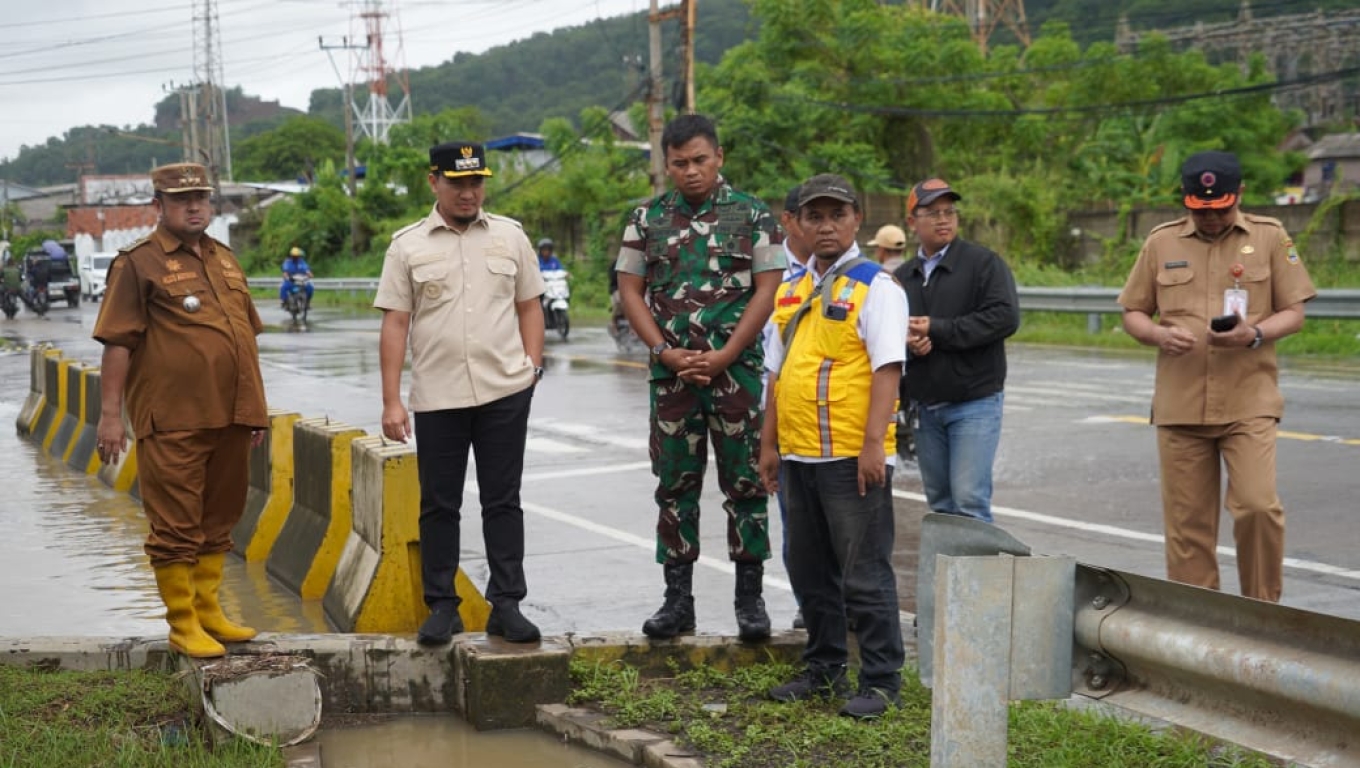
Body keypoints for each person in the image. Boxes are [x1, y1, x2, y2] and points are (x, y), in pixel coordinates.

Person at [615, 113, 785, 642]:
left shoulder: (753, 215)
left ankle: (750, 600)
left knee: (747, 484)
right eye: (679, 163)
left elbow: (768, 289)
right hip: (673, 380)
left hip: (736, 375)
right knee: (674, 486)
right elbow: (630, 290)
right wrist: (664, 352)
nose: (690, 171)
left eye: (699, 160)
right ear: (666, 165)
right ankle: (677, 601)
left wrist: (727, 353)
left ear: (719, 157)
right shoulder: (646, 219)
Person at [1117, 150, 1316, 602]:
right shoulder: (1161, 242)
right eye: (1200, 210)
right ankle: (1201, 620)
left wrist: (1254, 334)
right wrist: (1158, 335)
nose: (1210, 219)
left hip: (1249, 401)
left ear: (1239, 194)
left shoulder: (1270, 236)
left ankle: (1262, 612)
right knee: (1188, 527)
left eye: (1221, 209)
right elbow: (1133, 312)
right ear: (1186, 199)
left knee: (1258, 506)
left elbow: (1295, 312)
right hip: (1181, 405)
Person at [92, 162, 268, 659]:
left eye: (201, 198)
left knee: (220, 517)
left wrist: (255, 408)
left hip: (233, 416)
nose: (194, 207)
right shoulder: (137, 264)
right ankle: (183, 622)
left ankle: (209, 610)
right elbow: (118, 344)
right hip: (172, 419)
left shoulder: (224, 259)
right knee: (175, 526)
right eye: (181, 199)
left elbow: (244, 338)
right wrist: (110, 416)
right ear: (159, 205)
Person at [375, 140, 547, 645]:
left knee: (503, 500)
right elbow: (395, 323)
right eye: (457, 183)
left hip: (505, 391)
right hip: (439, 396)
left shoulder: (510, 236)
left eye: (476, 182)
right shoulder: (407, 245)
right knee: (438, 504)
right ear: (434, 182)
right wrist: (391, 400)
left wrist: (532, 367)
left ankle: (507, 604)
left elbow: (530, 305)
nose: (468, 192)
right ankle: (442, 606)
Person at [759, 174, 909, 720]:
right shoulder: (791, 289)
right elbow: (776, 374)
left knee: (864, 573)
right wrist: (768, 445)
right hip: (798, 456)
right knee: (809, 569)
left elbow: (888, 369)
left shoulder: (877, 287)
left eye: (837, 215)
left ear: (856, 221)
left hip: (850, 457)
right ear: (797, 224)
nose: (826, 226)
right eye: (814, 216)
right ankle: (823, 668)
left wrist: (873, 447)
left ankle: (882, 680)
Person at [893, 178, 1019, 524]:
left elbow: (1004, 318)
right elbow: (890, 333)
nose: (943, 219)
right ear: (912, 221)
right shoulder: (903, 277)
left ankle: (978, 562)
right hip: (925, 406)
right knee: (941, 503)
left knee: (969, 500)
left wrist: (938, 329)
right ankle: (950, 563)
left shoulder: (983, 264)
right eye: (932, 213)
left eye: (949, 211)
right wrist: (910, 344)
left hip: (974, 401)